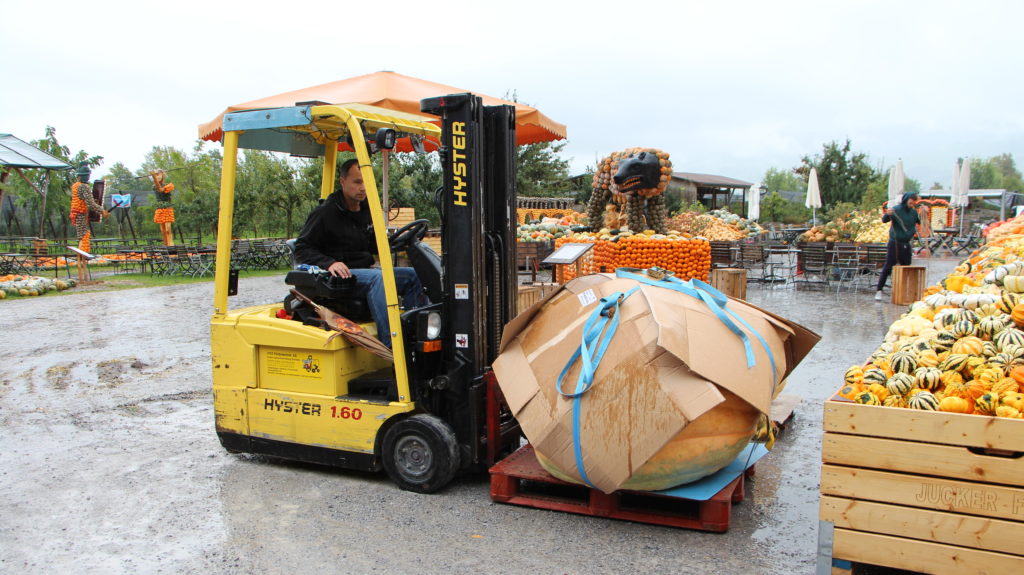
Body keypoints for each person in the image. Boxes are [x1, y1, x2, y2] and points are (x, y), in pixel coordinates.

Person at [294, 159, 426, 349]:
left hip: (364, 272)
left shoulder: (366, 212)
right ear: (342, 182)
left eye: (366, 182)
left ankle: (418, 338)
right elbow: (302, 248)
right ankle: (393, 348)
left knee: (413, 276)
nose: (363, 188)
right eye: (357, 182)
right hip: (340, 278)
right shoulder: (326, 213)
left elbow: (373, 245)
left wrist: (397, 241)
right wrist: (329, 263)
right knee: (377, 278)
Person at [875, 192, 921, 301]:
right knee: (888, 266)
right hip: (894, 242)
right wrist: (888, 214)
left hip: (906, 243)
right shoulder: (896, 209)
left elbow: (922, 222)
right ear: (906, 199)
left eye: (914, 201)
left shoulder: (914, 213)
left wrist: (924, 213)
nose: (913, 203)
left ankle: (905, 291)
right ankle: (879, 290)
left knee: (906, 266)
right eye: (911, 201)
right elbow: (884, 220)